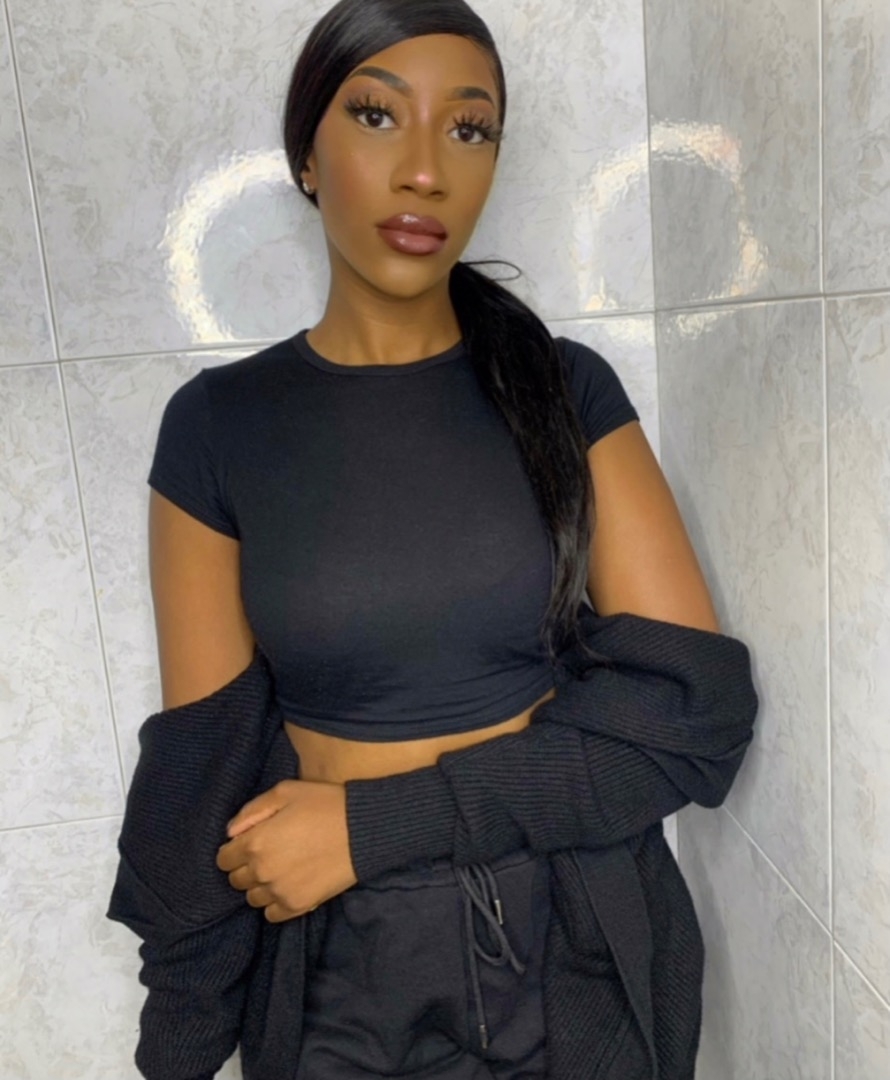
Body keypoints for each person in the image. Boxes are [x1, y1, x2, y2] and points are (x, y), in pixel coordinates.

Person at [115, 1, 757, 1078]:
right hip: (334, 971)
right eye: (376, 117)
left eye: (468, 129)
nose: (424, 172)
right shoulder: (219, 427)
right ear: (306, 156)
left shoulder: (566, 392)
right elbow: (201, 778)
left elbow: (691, 722)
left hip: (575, 937)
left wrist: (374, 827)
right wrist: (175, 1050)